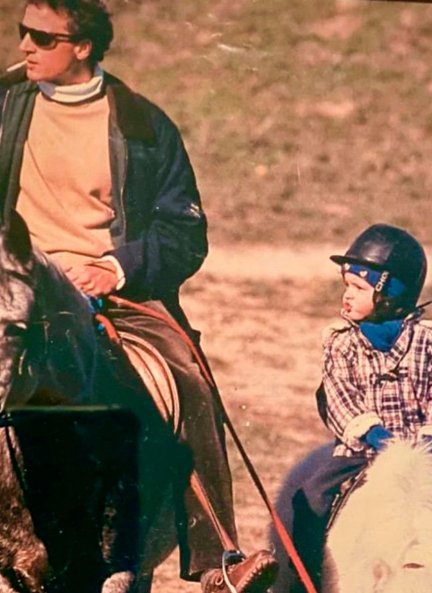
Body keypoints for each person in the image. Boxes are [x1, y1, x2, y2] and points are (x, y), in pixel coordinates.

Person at [0, 1, 278, 592]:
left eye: (42, 37)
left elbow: (184, 231)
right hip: (9, 279)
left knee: (189, 378)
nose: (25, 45)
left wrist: (116, 268)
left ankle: (216, 558)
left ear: (83, 47)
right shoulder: (4, 103)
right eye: (23, 31)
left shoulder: (143, 124)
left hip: (105, 293)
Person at [291, 223, 431, 589]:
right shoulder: (341, 344)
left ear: (390, 294)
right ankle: (297, 579)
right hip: (363, 453)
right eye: (346, 286)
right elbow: (338, 397)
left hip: (424, 454)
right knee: (310, 497)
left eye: (358, 288)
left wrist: (426, 438)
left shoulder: (426, 342)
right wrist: (371, 433)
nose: (347, 296)